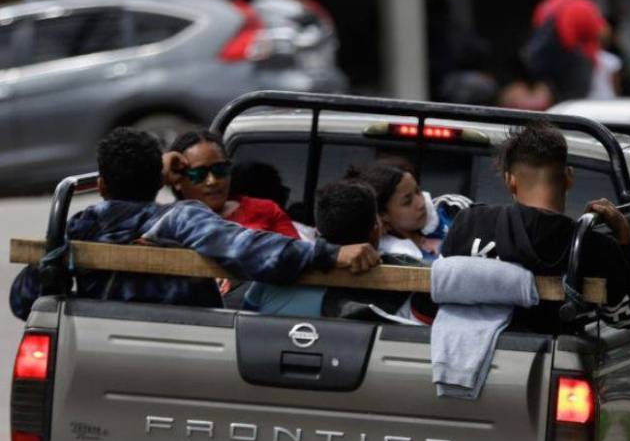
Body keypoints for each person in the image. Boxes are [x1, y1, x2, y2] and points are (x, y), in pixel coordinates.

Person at [9, 128, 379, 320]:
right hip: (186, 344)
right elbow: (252, 251)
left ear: (102, 185)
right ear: (163, 180)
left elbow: (22, 301)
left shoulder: (77, 225)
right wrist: (332, 254)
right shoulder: (182, 216)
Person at [436, 121, 630, 334]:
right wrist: (624, 237)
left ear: (510, 180)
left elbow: (437, 296)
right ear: (568, 177)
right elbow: (625, 318)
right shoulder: (594, 246)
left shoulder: (469, 221)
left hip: (463, 357)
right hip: (550, 360)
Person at [244, 181, 411, 319]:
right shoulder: (401, 280)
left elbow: (245, 312)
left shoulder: (277, 268)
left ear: (317, 231)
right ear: (375, 230)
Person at [163, 130, 299, 238]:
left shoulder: (267, 211)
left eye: (220, 170)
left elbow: (300, 258)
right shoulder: (167, 221)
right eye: (199, 174)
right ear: (177, 180)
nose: (212, 181)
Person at [344, 159, 470, 264]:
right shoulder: (382, 256)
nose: (421, 203)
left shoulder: (454, 209)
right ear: (383, 215)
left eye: (418, 191)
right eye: (407, 202)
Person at [527, 0, 611, 103]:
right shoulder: (580, 5)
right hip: (577, 71)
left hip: (550, 72)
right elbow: (603, 34)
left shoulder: (544, 6)